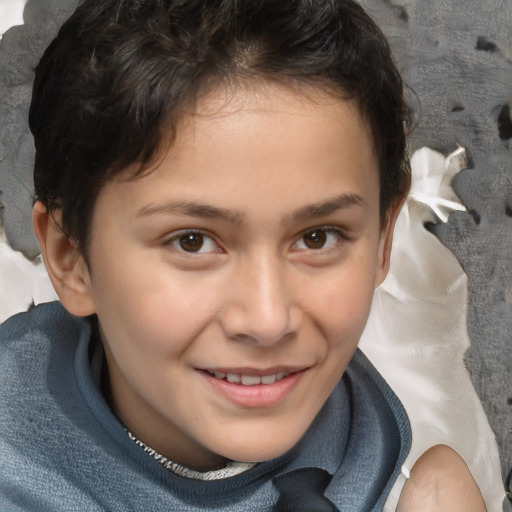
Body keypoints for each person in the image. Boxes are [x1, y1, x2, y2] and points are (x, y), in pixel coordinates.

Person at [0, 0, 486, 510]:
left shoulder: (397, 473)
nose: (267, 319)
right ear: (70, 257)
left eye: (317, 237)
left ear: (383, 240)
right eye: (192, 241)